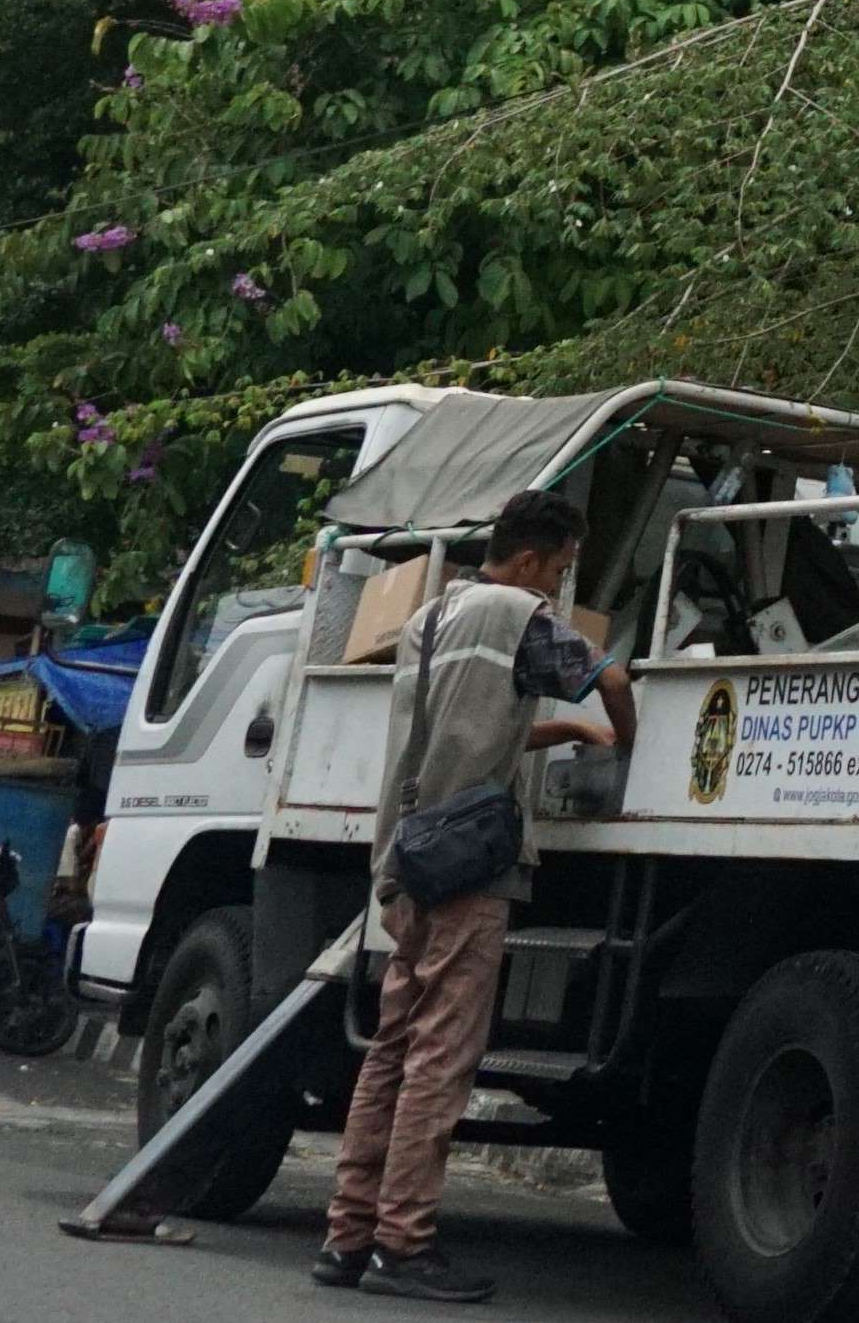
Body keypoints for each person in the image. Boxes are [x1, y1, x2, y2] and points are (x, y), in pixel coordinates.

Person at [320, 488, 631, 1303]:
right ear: (531, 558)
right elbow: (613, 675)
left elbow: (470, 726)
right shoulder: (516, 616)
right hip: (471, 867)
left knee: (390, 1050)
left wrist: (561, 732)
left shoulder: (432, 616)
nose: (559, 586)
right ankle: (404, 1244)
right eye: (561, 569)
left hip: (408, 858)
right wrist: (623, 743)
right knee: (440, 1058)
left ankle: (347, 1235)